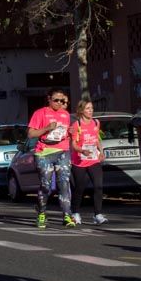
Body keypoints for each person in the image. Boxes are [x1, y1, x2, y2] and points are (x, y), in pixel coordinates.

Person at [27, 87, 75, 228]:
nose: (59, 103)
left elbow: (65, 133)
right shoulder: (39, 113)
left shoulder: (65, 115)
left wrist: (70, 132)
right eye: (56, 100)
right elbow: (31, 134)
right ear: (49, 99)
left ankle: (67, 215)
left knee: (64, 183)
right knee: (46, 185)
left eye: (62, 100)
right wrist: (47, 128)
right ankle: (41, 212)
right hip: (44, 152)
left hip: (62, 151)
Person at [69, 98, 106, 226]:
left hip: (93, 159)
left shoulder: (96, 122)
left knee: (98, 186)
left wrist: (101, 152)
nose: (91, 111)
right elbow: (73, 144)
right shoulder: (77, 125)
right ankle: (75, 212)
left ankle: (97, 214)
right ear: (81, 110)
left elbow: (96, 139)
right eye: (88, 109)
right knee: (80, 188)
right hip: (79, 161)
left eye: (92, 108)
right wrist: (82, 150)